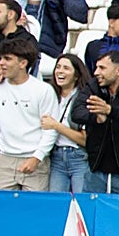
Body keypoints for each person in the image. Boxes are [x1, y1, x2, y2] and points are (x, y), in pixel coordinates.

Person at [0, 38, 58, 191]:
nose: (1, 63)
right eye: (0, 58)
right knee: (4, 212)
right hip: (5, 160)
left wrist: (37, 157)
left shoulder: (43, 90)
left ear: (23, 63)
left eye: (7, 59)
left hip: (35, 161)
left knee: (33, 211)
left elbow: (50, 129)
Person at [71, 51, 119, 195]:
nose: (96, 72)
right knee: (89, 212)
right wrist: (97, 118)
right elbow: (76, 113)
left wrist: (109, 110)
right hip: (95, 167)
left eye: (102, 68)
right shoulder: (92, 87)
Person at [41, 54, 91, 193]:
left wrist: (56, 126)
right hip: (56, 157)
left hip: (79, 157)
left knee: (81, 204)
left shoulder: (84, 99)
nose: (60, 71)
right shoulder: (49, 94)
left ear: (76, 75)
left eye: (66, 68)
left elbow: (85, 139)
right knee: (57, 205)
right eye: (58, 67)